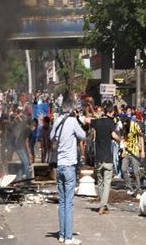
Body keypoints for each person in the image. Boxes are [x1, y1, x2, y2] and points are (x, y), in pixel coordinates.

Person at [50, 101, 86, 245]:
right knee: (69, 203)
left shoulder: (58, 121)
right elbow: (83, 135)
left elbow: (52, 136)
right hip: (70, 165)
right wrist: (78, 120)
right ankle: (69, 237)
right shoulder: (72, 121)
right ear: (71, 110)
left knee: (62, 202)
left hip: (59, 165)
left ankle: (62, 234)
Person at [84, 101, 120, 215]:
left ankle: (103, 205)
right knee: (107, 183)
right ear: (110, 112)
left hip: (98, 158)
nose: (114, 114)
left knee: (100, 183)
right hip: (108, 158)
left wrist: (90, 112)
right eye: (113, 112)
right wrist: (120, 141)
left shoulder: (97, 122)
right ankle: (103, 206)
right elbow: (114, 135)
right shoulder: (111, 123)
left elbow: (86, 119)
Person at [120, 117, 144, 197]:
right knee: (123, 169)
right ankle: (129, 187)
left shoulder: (135, 126)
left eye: (125, 123)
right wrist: (123, 150)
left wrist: (142, 150)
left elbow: (141, 136)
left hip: (135, 151)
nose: (124, 125)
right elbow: (123, 139)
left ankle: (138, 189)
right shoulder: (123, 127)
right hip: (127, 151)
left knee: (135, 171)